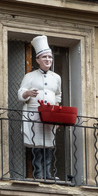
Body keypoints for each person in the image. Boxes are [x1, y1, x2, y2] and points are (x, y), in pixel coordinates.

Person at [18, 35, 61, 179]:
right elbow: (20, 93)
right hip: (34, 115)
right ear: (37, 60)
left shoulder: (56, 77)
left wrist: (57, 115)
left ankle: (47, 174)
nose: (48, 60)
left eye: (50, 57)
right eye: (44, 57)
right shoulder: (29, 76)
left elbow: (58, 96)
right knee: (37, 146)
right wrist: (27, 93)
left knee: (48, 146)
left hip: (49, 116)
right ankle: (38, 174)